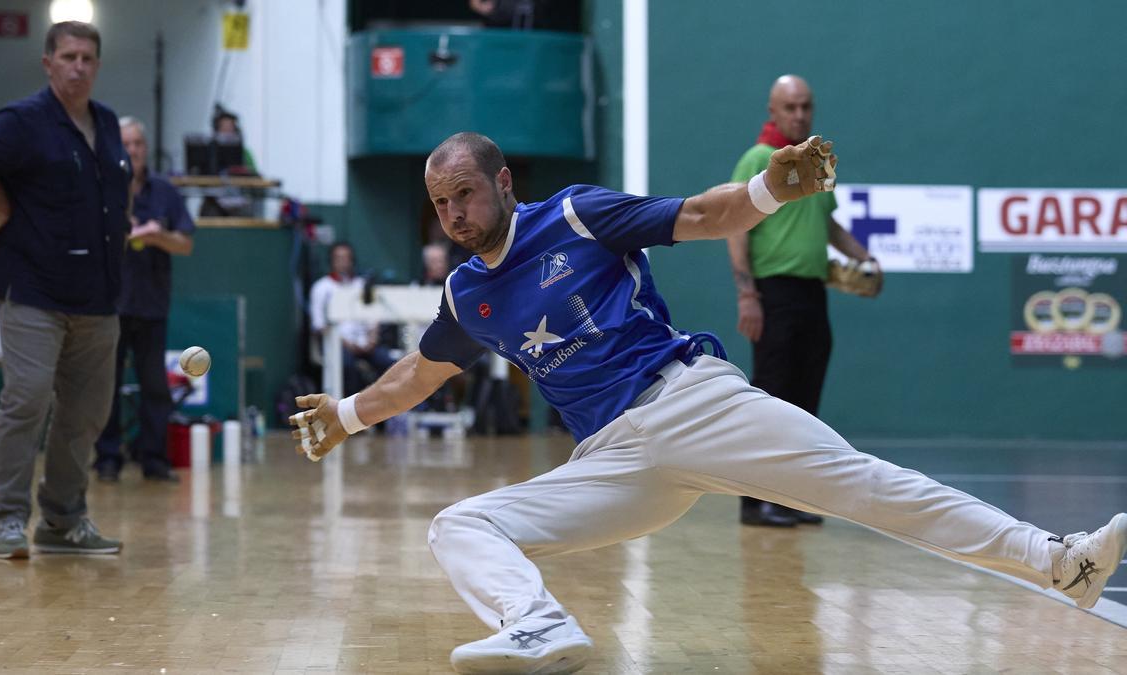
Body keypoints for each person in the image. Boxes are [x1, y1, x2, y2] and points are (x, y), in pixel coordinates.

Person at [289, 132, 1126, 674]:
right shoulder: (468, 290)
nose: (454, 214)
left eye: (465, 193)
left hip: (688, 401)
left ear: (503, 181)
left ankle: (1061, 559)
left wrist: (768, 190)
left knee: (861, 484)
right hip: (612, 459)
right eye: (441, 203)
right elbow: (422, 372)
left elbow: (697, 214)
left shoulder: (578, 215)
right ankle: (539, 626)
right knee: (459, 524)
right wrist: (350, 413)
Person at [0, 21, 128, 559]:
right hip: (32, 288)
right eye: (68, 56)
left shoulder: (109, 123)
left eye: (87, 58)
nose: (78, 66)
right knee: (25, 399)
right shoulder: (24, 120)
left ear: (97, 65)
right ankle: (6, 519)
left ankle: (64, 520)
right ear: (48, 63)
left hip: (98, 295)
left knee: (86, 413)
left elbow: (115, 198)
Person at [726, 75, 882, 528]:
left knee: (804, 401)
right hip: (773, 293)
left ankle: (790, 497)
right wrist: (747, 295)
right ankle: (755, 502)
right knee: (771, 400)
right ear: (773, 111)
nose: (799, 115)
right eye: (790, 107)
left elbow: (828, 226)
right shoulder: (758, 159)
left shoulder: (816, 164)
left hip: (813, 295)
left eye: (805, 107)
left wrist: (865, 256)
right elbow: (736, 226)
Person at [93, 117, 195, 483]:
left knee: (155, 385)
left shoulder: (165, 192)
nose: (132, 150)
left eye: (138, 143)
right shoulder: (102, 186)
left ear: (145, 148)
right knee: (107, 384)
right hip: (110, 304)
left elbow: (185, 244)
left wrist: (156, 236)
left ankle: (154, 459)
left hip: (152, 304)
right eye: (126, 143)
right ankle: (107, 458)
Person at [307, 242, 396, 396]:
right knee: (348, 367)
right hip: (338, 344)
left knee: (390, 364)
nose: (342, 262)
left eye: (346, 258)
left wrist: (372, 339)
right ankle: (351, 412)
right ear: (331, 261)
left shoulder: (362, 285)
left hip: (365, 343)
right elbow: (319, 325)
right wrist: (346, 344)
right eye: (338, 258)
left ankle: (389, 414)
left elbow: (373, 317)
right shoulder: (321, 287)